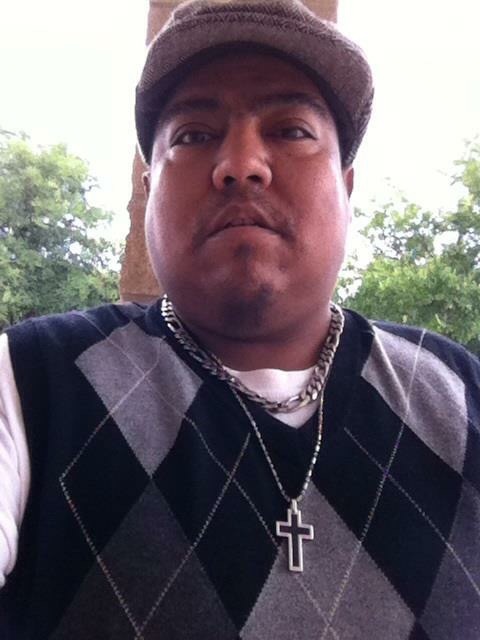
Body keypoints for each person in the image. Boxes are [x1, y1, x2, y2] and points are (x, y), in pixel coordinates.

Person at [1, 0, 479, 638]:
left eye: (291, 130)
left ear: (347, 187)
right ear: (147, 187)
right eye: (194, 135)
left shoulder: (460, 394)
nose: (242, 164)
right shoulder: (30, 383)